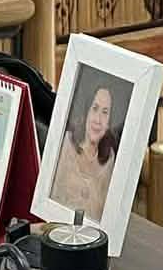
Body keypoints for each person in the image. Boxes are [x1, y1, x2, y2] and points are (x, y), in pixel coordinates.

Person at [49, 81, 119, 221]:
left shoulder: (109, 159)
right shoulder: (66, 144)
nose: (98, 119)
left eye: (105, 112)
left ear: (109, 123)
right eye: (95, 108)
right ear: (87, 111)